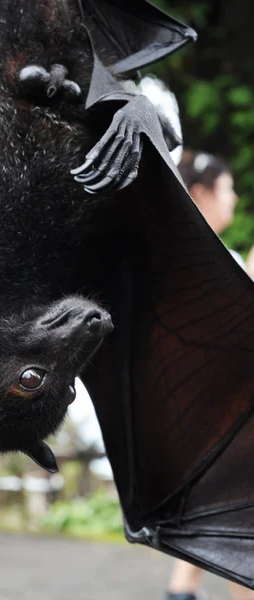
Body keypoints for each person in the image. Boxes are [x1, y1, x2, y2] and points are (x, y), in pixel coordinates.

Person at [166, 149, 254, 600]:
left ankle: (181, 592)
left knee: (216, 533)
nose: (235, 198)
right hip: (219, 425)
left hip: (210, 424)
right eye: (228, 188)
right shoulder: (196, 259)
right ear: (200, 193)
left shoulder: (210, 256)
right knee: (240, 537)